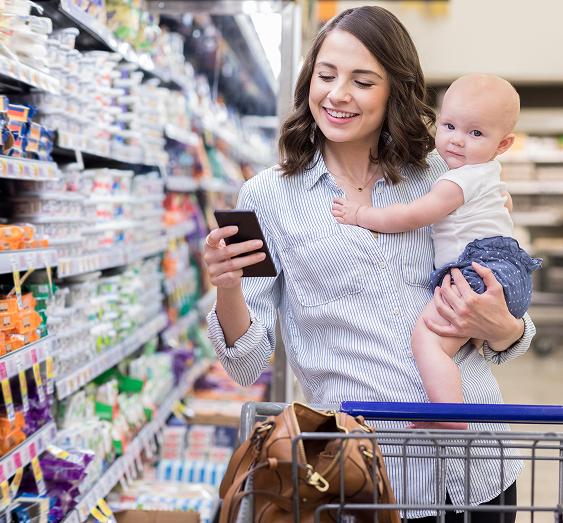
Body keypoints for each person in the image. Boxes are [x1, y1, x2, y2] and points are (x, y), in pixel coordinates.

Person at [204, 6, 533, 521]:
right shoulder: (266, 196)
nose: (337, 94)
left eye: (362, 81)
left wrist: (506, 328)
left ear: (394, 91)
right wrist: (226, 286)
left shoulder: (443, 176)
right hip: (363, 473)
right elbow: (244, 364)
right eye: (326, 75)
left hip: (477, 465)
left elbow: (507, 321)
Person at [331, 74, 542, 429]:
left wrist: (361, 214)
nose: (457, 140)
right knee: (451, 345)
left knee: (427, 341)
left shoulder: (456, 179)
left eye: (475, 133)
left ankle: (448, 418)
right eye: (449, 125)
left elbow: (414, 215)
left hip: (478, 271)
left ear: (503, 144)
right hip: (507, 274)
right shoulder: (488, 174)